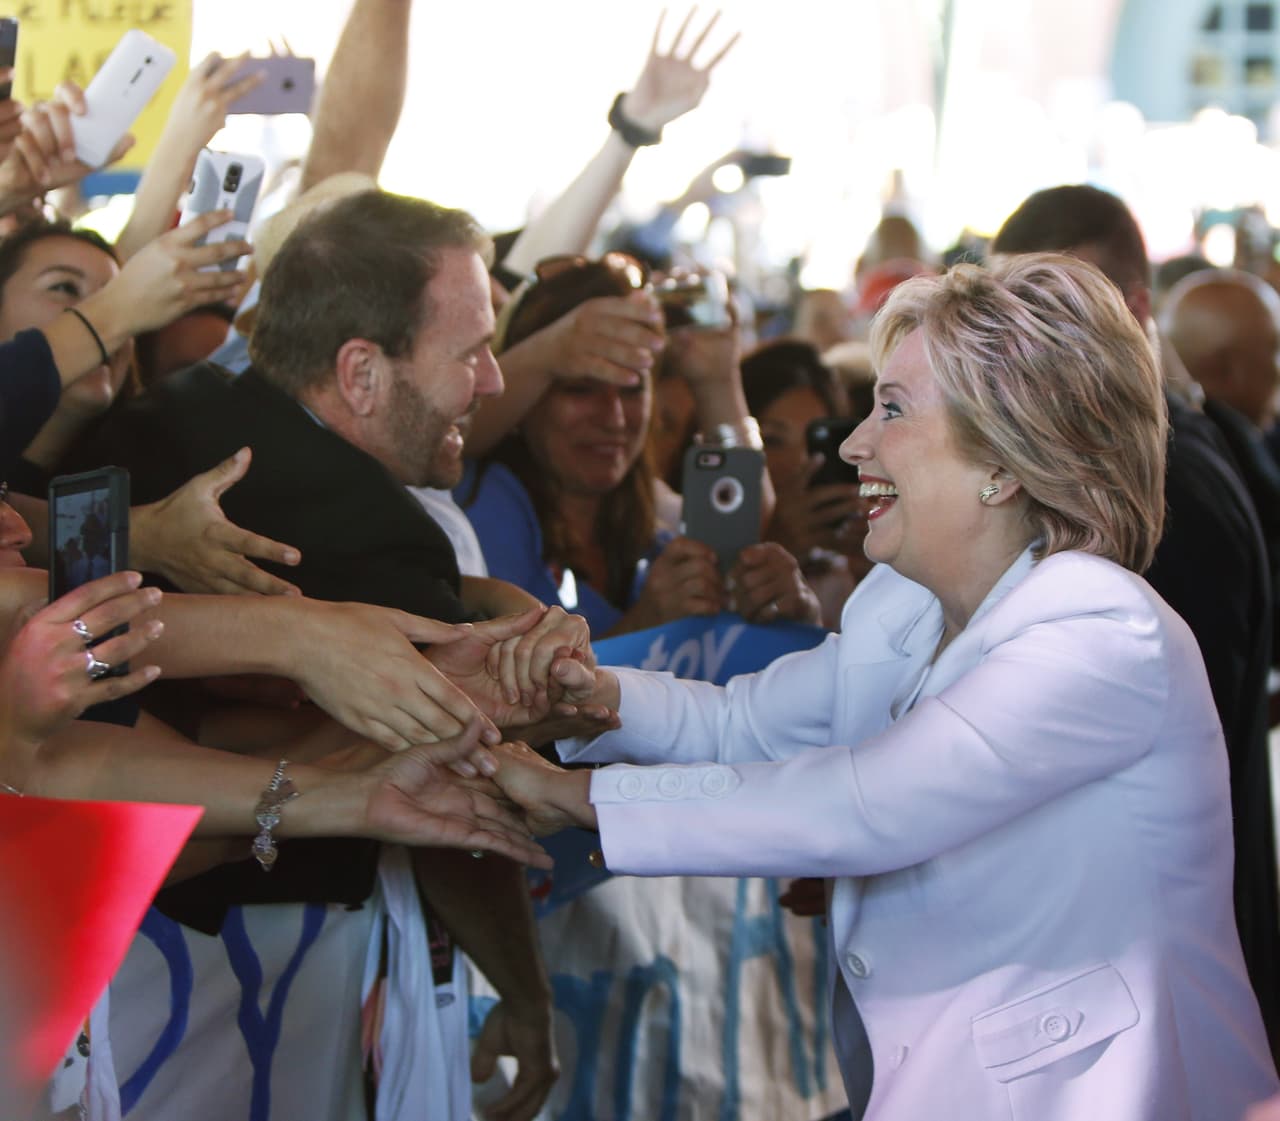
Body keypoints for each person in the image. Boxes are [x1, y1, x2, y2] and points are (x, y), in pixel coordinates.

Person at [489, 254, 1279, 1119]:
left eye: (892, 410)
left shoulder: (1099, 630)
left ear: (1005, 459)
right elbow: (743, 723)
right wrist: (585, 693)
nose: (856, 443)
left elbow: (862, 804)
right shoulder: (901, 607)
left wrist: (575, 797)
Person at [991, 185, 1280, 1044]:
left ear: (1134, 310)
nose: (1020, 346)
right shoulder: (1169, 448)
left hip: (1161, 980)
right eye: (1009, 313)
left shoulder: (1162, 489)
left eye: (1056, 312)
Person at [459, 253, 814, 634]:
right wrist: (645, 624)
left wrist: (717, 381)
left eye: (632, 388)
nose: (613, 418)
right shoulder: (483, 504)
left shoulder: (649, 515)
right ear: (530, 397)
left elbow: (742, 528)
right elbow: (511, 687)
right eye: (580, 389)